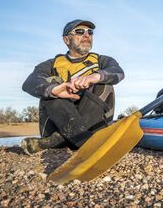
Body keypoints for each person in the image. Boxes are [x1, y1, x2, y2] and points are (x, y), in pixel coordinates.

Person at [21, 19, 124, 155]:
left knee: (103, 82)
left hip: (94, 124)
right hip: (58, 122)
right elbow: (29, 82)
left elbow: (118, 72)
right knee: (52, 83)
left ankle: (55, 141)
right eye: (80, 32)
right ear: (66, 39)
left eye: (90, 32)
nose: (87, 35)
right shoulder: (51, 64)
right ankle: (86, 142)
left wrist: (94, 76)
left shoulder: (102, 61)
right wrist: (53, 90)